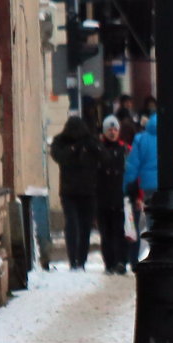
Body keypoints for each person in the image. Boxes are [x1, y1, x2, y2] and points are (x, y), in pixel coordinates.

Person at [122, 112, 173, 267]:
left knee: (151, 218)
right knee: (170, 217)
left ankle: (154, 249)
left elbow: (132, 165)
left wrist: (128, 184)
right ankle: (169, 251)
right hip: (170, 185)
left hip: (149, 187)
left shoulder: (141, 139)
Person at [50, 116, 101, 270]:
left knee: (84, 227)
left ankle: (81, 260)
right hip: (70, 192)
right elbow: (58, 156)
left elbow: (103, 156)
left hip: (86, 191)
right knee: (73, 224)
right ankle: (74, 259)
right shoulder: (61, 141)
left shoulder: (89, 142)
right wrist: (73, 149)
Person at [97, 115, 131, 275]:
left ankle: (121, 261)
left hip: (119, 198)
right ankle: (109, 262)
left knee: (120, 231)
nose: (112, 132)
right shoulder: (98, 149)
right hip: (103, 198)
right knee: (106, 233)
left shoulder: (125, 149)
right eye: (109, 129)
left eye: (115, 129)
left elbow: (131, 172)